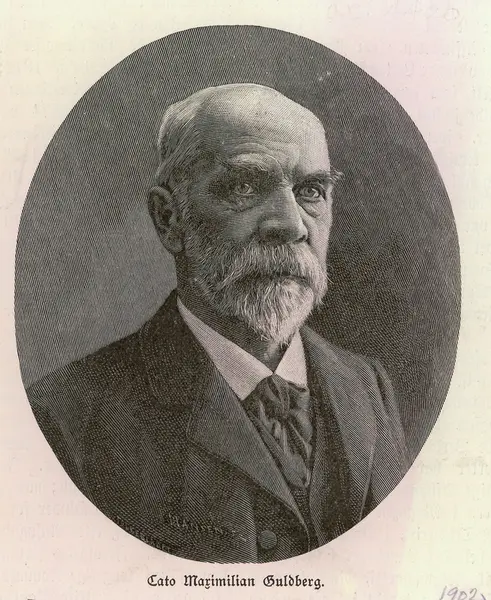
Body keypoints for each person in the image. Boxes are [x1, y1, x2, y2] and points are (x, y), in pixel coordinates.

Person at [28, 83, 410, 563]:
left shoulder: (369, 388)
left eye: (311, 192)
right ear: (169, 219)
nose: (291, 224)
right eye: (244, 187)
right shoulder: (65, 418)